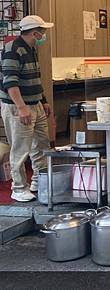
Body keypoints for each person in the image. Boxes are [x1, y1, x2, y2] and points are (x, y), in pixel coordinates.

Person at [0, 15, 54, 202]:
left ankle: (39, 180)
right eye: (43, 31)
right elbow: (10, 82)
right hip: (18, 107)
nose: (44, 35)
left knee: (40, 144)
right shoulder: (12, 49)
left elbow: (36, 78)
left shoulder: (31, 49)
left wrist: (44, 100)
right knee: (21, 148)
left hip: (35, 103)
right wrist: (21, 107)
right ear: (35, 32)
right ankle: (18, 187)